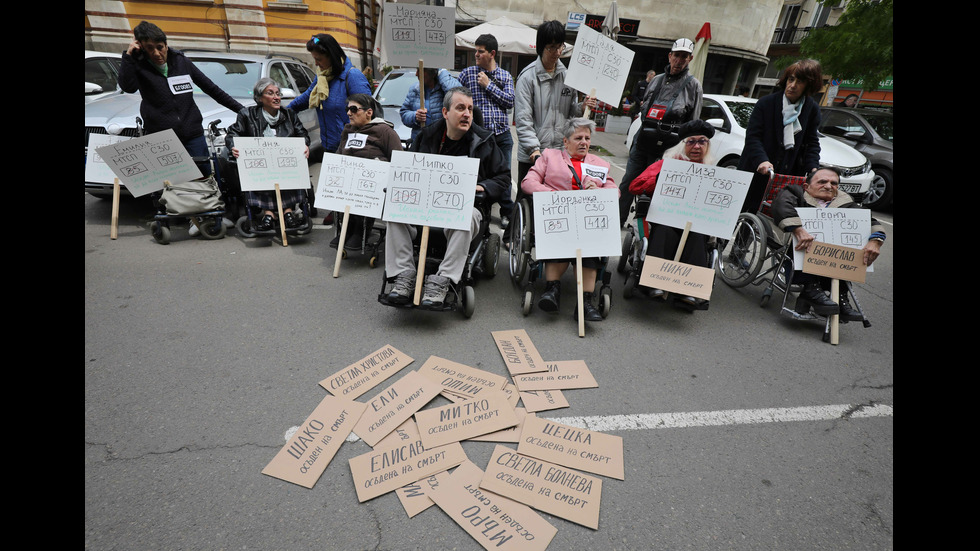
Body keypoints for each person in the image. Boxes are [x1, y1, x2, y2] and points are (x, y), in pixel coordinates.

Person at [384, 87, 510, 308]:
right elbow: (409, 172)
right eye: (460, 108)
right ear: (445, 112)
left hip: (463, 206)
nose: (467, 114)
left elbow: (503, 177)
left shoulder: (484, 141)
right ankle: (403, 275)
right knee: (393, 210)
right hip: (424, 206)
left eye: (470, 109)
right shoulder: (426, 136)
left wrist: (482, 186)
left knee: (467, 216)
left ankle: (443, 280)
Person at [118, 21, 245, 177]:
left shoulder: (180, 61)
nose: (157, 53)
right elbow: (128, 87)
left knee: (203, 179)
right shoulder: (138, 65)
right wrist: (129, 56)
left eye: (160, 47)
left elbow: (212, 89)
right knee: (172, 184)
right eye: (150, 48)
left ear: (166, 45)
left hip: (192, 134)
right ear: (142, 48)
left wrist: (244, 111)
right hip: (161, 139)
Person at [521, 118, 618, 322]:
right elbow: (528, 182)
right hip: (558, 215)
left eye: (587, 138)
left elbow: (614, 190)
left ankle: (585, 303)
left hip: (586, 221)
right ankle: (552, 290)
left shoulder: (599, 165)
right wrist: (552, 195)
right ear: (565, 142)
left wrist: (598, 190)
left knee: (591, 245)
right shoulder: (550, 156)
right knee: (562, 235)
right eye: (578, 138)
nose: (584, 142)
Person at [511, 20, 596, 241]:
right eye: (551, 48)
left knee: (557, 202)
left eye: (560, 47)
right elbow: (523, 119)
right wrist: (534, 151)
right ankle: (515, 238)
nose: (557, 53)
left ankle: (553, 242)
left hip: (560, 153)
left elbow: (571, 114)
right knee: (527, 199)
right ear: (541, 47)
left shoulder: (568, 76)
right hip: (535, 153)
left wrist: (583, 107)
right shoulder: (527, 77)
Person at [770, 167, 885, 319]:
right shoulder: (794, 192)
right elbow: (781, 206)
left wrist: (876, 241)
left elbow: (870, 221)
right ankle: (810, 289)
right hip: (794, 241)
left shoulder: (845, 202)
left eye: (834, 183)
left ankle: (840, 294)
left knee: (847, 247)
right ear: (807, 186)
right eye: (822, 181)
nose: (829, 186)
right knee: (803, 241)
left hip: (828, 251)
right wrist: (798, 229)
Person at [628, 120, 717, 311]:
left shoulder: (714, 172)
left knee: (698, 236)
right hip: (665, 217)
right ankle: (654, 282)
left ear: (708, 146)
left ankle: (689, 290)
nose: (696, 146)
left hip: (695, 222)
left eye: (702, 142)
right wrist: (659, 180)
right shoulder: (667, 164)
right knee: (664, 230)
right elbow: (635, 186)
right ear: (682, 144)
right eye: (691, 141)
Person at [617, 37, 703, 228]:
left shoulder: (693, 86)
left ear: (690, 59)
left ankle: (648, 230)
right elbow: (644, 109)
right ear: (670, 56)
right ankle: (617, 221)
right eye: (677, 55)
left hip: (669, 149)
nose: (679, 60)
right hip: (643, 142)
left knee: (656, 190)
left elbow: (693, 124)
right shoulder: (656, 80)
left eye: (684, 56)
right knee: (629, 182)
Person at [737, 58, 823, 212]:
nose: (793, 85)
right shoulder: (766, 103)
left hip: (787, 174)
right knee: (745, 210)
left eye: (800, 81)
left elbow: (811, 142)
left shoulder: (811, 109)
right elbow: (753, 137)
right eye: (791, 79)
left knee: (777, 215)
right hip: (757, 170)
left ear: (808, 85)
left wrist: (813, 168)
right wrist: (762, 160)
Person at [225, 78, 311, 232]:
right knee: (263, 173)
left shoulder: (289, 114)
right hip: (261, 165)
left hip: (284, 163)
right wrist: (233, 146)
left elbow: (302, 133)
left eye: (278, 93)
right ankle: (269, 213)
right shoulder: (247, 115)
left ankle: (287, 212)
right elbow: (232, 134)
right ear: (259, 98)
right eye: (270, 93)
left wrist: (304, 144)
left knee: (288, 172)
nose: (276, 97)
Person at [458, 33, 516, 227]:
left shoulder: (505, 76)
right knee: (480, 176)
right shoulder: (467, 74)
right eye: (475, 51)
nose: (476, 54)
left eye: (480, 51)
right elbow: (457, 98)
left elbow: (509, 103)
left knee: (504, 176)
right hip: (478, 138)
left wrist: (488, 85)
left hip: (501, 135)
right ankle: (482, 213)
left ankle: (507, 213)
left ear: (492, 54)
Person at [333, 93, 403, 250]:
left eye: (353, 109)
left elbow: (400, 161)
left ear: (369, 112)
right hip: (349, 181)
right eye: (347, 109)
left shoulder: (384, 131)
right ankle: (347, 229)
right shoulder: (348, 130)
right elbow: (339, 154)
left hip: (373, 185)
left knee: (363, 186)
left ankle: (360, 230)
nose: (349, 113)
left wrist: (379, 167)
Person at [288, 34, 372, 156]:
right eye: (314, 59)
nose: (316, 63)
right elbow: (307, 97)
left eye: (319, 59)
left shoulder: (353, 76)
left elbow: (368, 114)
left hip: (352, 151)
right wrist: (284, 111)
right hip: (330, 148)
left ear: (332, 56)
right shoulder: (322, 77)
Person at [399, 67, 462, 144]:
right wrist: (415, 116)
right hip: (420, 143)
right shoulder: (414, 89)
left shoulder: (444, 89)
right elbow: (404, 113)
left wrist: (442, 72)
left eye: (420, 70)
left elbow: (458, 95)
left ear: (433, 73)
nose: (416, 74)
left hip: (441, 144)